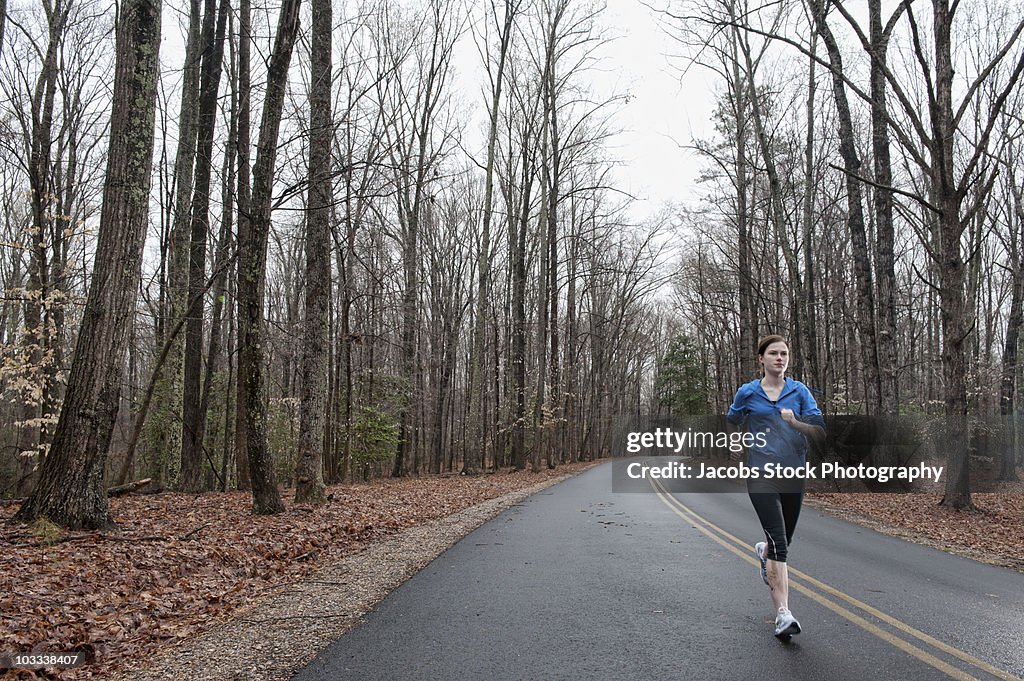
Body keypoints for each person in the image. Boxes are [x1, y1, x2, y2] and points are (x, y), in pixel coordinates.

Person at [726, 335, 825, 638]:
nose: (780, 358)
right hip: (761, 474)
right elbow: (732, 420)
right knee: (781, 545)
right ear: (761, 359)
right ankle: (783, 613)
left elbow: (819, 432)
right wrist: (733, 441)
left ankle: (764, 551)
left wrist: (796, 423)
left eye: (784, 354)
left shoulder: (799, 392)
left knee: (781, 544)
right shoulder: (748, 392)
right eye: (773, 353)